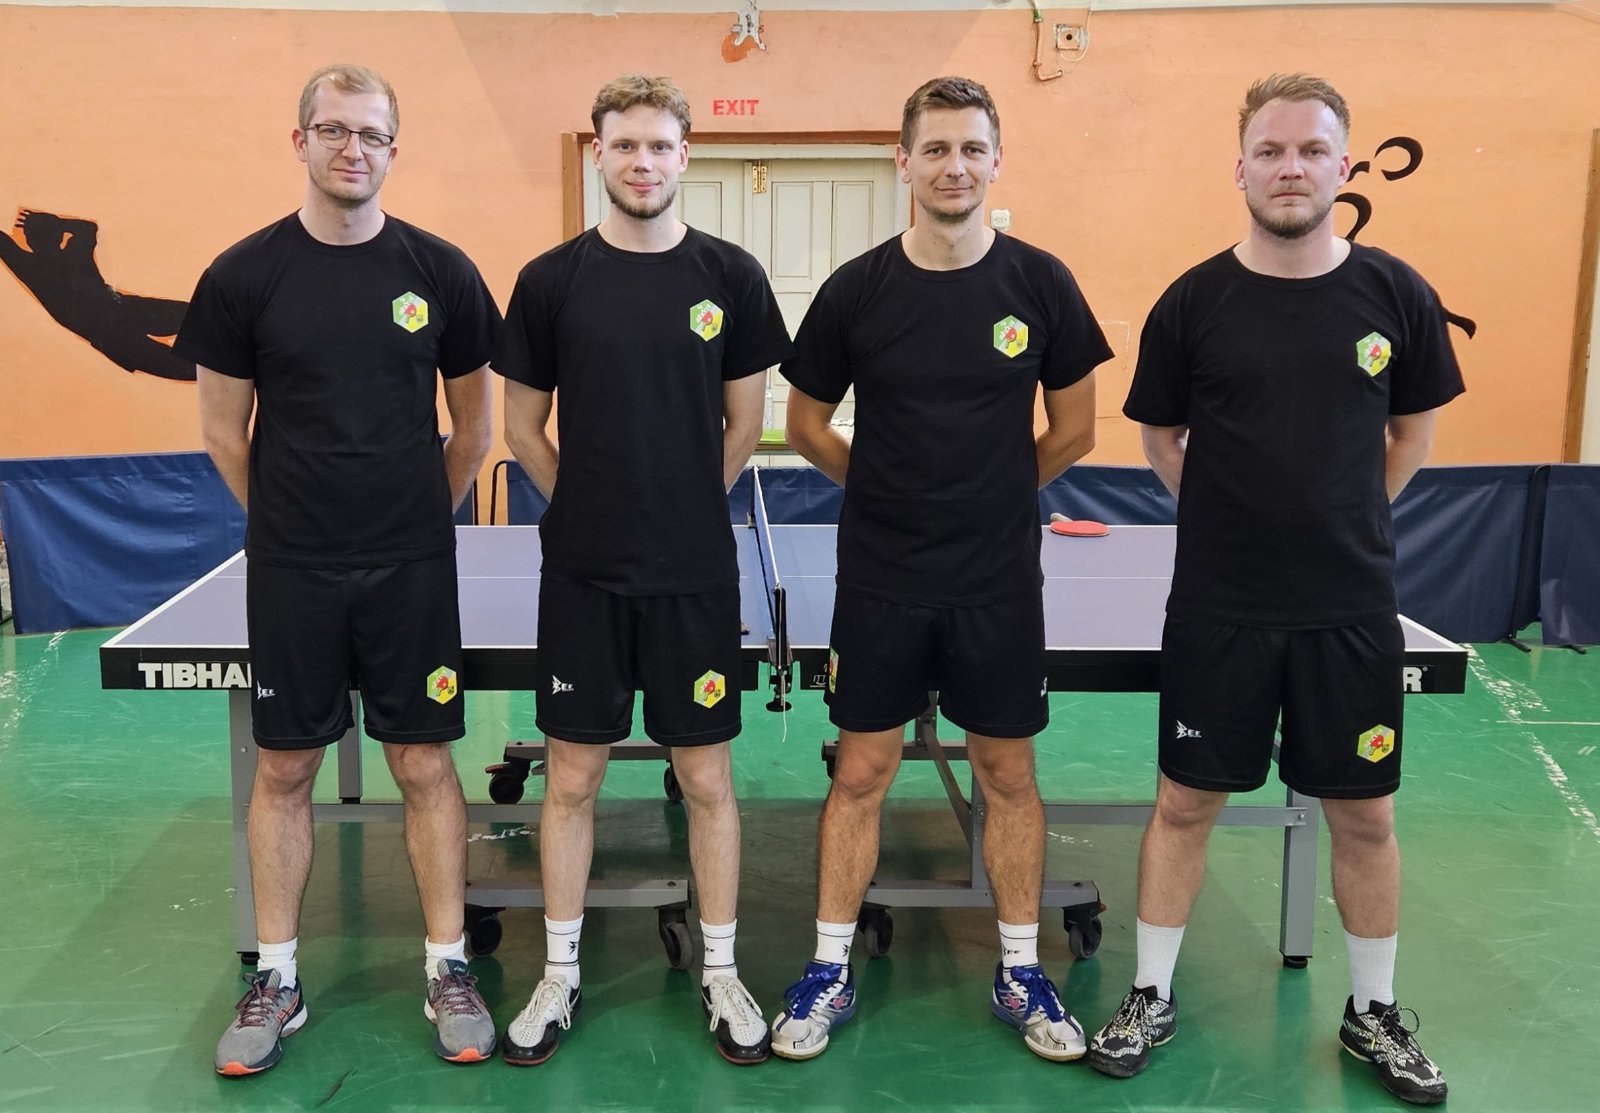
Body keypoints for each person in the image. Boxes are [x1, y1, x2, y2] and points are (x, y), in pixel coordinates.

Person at [1084, 73, 1463, 1106]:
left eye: (1310, 150)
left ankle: (1373, 1011)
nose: (1290, 168)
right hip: (1220, 607)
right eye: (1270, 150)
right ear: (1240, 167)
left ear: (1344, 165)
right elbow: (1161, 439)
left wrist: (1344, 519)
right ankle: (1151, 993)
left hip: (1348, 609)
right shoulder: (1192, 302)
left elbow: (1412, 435)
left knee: (1365, 817)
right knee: (1184, 802)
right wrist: (1231, 518)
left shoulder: (1396, 294)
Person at [769, 75, 1110, 1063]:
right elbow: (805, 425)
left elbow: (1075, 429)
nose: (953, 166)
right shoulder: (857, 289)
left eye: (970, 148)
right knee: (861, 771)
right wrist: (885, 491)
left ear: (995, 160)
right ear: (903, 162)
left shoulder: (1041, 283)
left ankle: (1019, 969)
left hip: (996, 582)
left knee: (1006, 770)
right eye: (935, 149)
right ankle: (828, 967)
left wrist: (990, 495)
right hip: (881, 577)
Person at [178, 63, 500, 1075]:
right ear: (301, 141)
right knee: (284, 767)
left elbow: (474, 428)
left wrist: (415, 520)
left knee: (423, 763)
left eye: (369, 133)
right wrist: (290, 523)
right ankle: (277, 976)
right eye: (332, 129)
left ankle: (448, 964)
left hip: (412, 568)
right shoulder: (242, 276)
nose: (351, 148)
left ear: (394, 148)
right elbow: (224, 433)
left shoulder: (441, 271)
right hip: (294, 570)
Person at [494, 74, 794, 1067]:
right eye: (624, 145)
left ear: (685, 154)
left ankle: (722, 971)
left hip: (694, 577)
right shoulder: (550, 280)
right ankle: (559, 972)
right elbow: (521, 429)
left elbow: (745, 424)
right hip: (583, 576)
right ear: (599, 153)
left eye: (659, 145)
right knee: (573, 775)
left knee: (705, 775)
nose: (642, 162)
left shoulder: (731, 276)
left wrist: (679, 507)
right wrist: (587, 504)